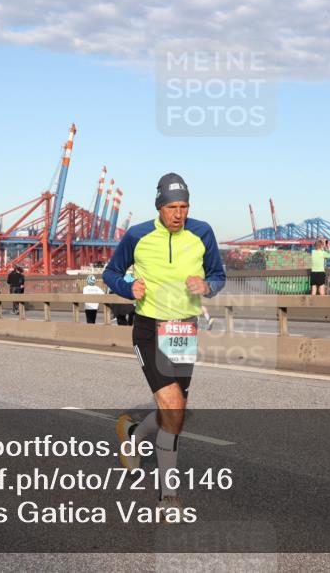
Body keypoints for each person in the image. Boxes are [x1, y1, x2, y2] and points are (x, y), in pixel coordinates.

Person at [104, 173, 226, 518]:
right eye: (172, 207)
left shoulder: (203, 232)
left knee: (174, 412)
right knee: (172, 407)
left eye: (184, 206)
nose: (179, 214)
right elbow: (111, 273)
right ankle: (168, 494)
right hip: (148, 328)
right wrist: (129, 289)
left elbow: (218, 275)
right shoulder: (137, 235)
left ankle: (132, 433)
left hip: (184, 330)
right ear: (160, 206)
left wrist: (207, 285)